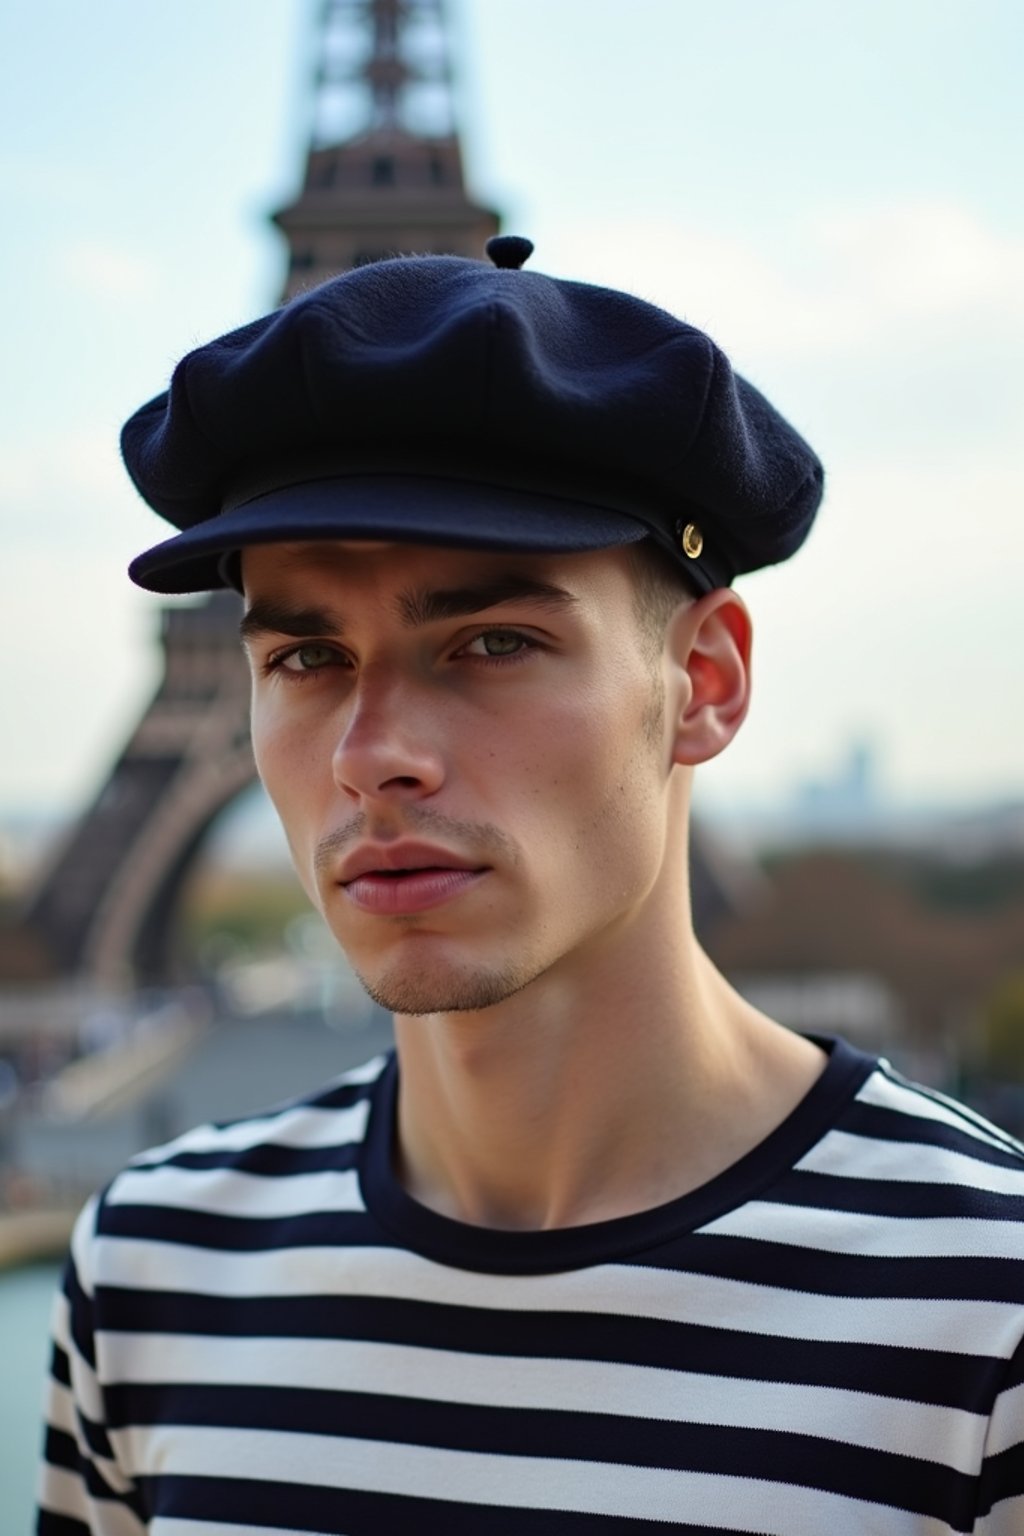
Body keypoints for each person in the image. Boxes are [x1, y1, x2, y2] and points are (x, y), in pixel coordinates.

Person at [37, 236, 1024, 1535]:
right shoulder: (147, 1276)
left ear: (706, 681)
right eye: (306, 657)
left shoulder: (990, 1318)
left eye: (494, 642)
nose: (372, 755)